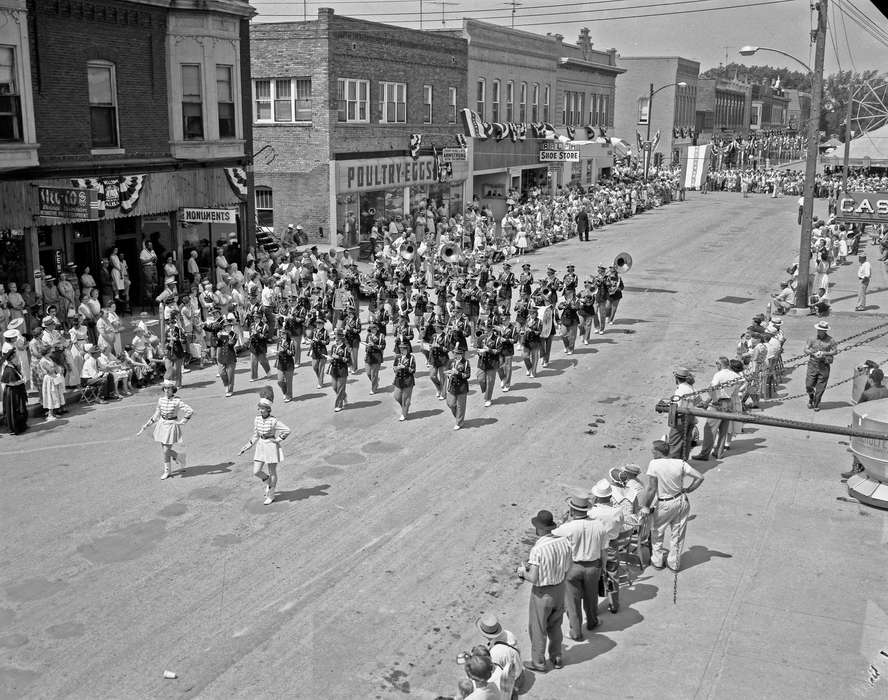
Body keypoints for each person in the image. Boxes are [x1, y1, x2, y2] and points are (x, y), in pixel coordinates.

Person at [516, 509, 572, 672]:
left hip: (542, 593)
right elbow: (568, 567)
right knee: (555, 625)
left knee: (538, 628)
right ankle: (557, 656)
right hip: (560, 589)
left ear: (540, 528)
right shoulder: (564, 542)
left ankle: (538, 662)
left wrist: (521, 571)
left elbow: (533, 577)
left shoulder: (538, 549)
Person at [552, 495, 611, 640]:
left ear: (572, 510)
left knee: (572, 602)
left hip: (573, 567)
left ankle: (576, 632)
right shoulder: (599, 526)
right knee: (591, 597)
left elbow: (551, 535)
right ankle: (592, 622)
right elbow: (604, 551)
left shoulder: (567, 528)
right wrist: (603, 569)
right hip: (593, 567)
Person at [644, 440, 704, 572]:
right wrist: (688, 489)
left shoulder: (654, 464)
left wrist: (646, 506)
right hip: (681, 500)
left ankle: (657, 561)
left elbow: (651, 489)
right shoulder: (680, 463)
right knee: (678, 534)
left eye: (653, 451)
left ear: (657, 452)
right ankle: (674, 563)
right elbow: (700, 477)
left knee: (657, 532)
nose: (652, 453)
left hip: (665, 503)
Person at [240, 397, 291, 505]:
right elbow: (255, 436)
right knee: (256, 471)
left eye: (262, 408)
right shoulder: (257, 419)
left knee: (272, 472)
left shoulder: (273, 421)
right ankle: (269, 483)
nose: (260, 410)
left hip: (271, 447)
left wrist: (277, 440)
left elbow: (287, 430)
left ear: (268, 409)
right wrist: (246, 446)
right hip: (260, 446)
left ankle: (271, 494)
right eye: (259, 408)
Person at [139, 379, 193, 480]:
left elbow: (189, 411)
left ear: (173, 390)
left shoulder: (177, 401)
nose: (166, 390)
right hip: (162, 425)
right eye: (165, 388)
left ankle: (168, 470)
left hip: (171, 425)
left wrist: (183, 421)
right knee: (165, 450)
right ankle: (179, 458)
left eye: (169, 388)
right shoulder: (160, 400)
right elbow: (156, 414)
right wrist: (147, 424)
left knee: (166, 450)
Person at [692, 357, 740, 461]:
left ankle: (705, 454)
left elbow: (712, 389)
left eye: (716, 364)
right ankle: (719, 452)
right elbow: (736, 392)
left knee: (709, 428)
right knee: (723, 430)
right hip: (729, 403)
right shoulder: (736, 376)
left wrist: (713, 401)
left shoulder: (719, 375)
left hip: (718, 403)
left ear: (719, 364)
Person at [476, 613, 523, 700]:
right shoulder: (508, 633)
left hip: (513, 681)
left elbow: (491, 674)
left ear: (484, 634)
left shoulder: (494, 653)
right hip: (519, 671)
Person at [804, 320, 837, 411]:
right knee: (808, 385)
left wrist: (824, 353)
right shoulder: (812, 338)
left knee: (821, 387)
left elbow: (835, 351)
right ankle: (811, 397)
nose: (819, 331)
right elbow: (806, 349)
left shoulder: (831, 340)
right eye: (818, 330)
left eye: (821, 330)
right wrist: (813, 353)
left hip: (824, 365)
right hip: (813, 364)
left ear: (825, 331)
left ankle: (816, 403)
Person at [1, 332, 28, 434]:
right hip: (13, 392)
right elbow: (14, 382)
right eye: (14, 337)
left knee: (20, 407)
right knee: (15, 408)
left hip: (17, 388)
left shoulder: (11, 346)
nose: (16, 338)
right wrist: (22, 379)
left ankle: (21, 425)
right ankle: (15, 427)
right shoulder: (9, 369)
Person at [446, 346, 472, 430]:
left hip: (462, 387)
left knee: (461, 406)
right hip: (452, 386)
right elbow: (447, 370)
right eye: (454, 353)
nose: (455, 355)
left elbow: (467, 375)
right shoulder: (451, 362)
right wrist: (448, 374)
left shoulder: (466, 363)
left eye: (457, 353)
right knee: (450, 404)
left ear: (461, 354)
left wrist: (458, 373)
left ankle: (459, 422)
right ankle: (458, 417)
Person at [392, 340, 416, 421]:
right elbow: (394, 367)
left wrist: (404, 367)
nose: (402, 350)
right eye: (401, 348)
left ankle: (404, 414)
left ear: (407, 349)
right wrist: (397, 368)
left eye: (404, 349)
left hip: (408, 380)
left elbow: (413, 370)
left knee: (405, 398)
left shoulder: (411, 358)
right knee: (397, 396)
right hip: (398, 379)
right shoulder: (398, 357)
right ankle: (405, 406)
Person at [329, 327, 350, 412]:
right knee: (334, 387)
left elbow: (348, 360)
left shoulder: (346, 348)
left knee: (340, 388)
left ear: (341, 338)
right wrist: (330, 359)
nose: (336, 340)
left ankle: (339, 405)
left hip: (342, 370)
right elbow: (331, 356)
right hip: (334, 369)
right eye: (335, 338)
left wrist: (339, 357)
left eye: (337, 338)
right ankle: (344, 396)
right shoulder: (333, 346)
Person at [363, 321, 385, 394]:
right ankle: (375, 381)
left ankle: (374, 388)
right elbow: (366, 344)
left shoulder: (381, 336)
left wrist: (374, 345)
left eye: (373, 328)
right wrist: (367, 347)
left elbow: (383, 346)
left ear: (377, 329)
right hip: (369, 356)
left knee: (374, 374)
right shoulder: (368, 335)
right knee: (368, 373)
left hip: (376, 356)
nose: (372, 330)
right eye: (371, 329)